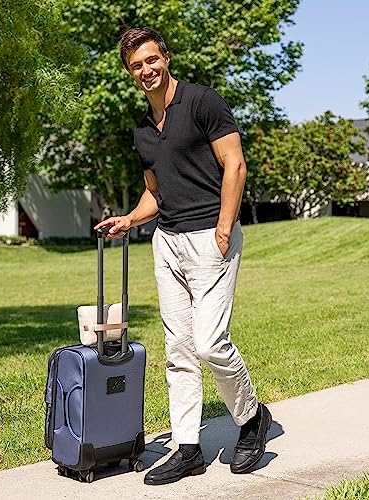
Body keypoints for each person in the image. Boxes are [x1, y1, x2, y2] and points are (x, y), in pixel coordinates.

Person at [95, 27, 272, 486]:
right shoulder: (142, 130)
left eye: (151, 60)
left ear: (166, 57)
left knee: (210, 342)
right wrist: (130, 219)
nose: (146, 70)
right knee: (178, 349)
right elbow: (155, 193)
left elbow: (235, 164)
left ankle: (252, 418)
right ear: (129, 72)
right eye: (136, 65)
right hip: (167, 242)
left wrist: (224, 227)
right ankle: (188, 447)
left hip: (211, 237)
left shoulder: (202, 102)